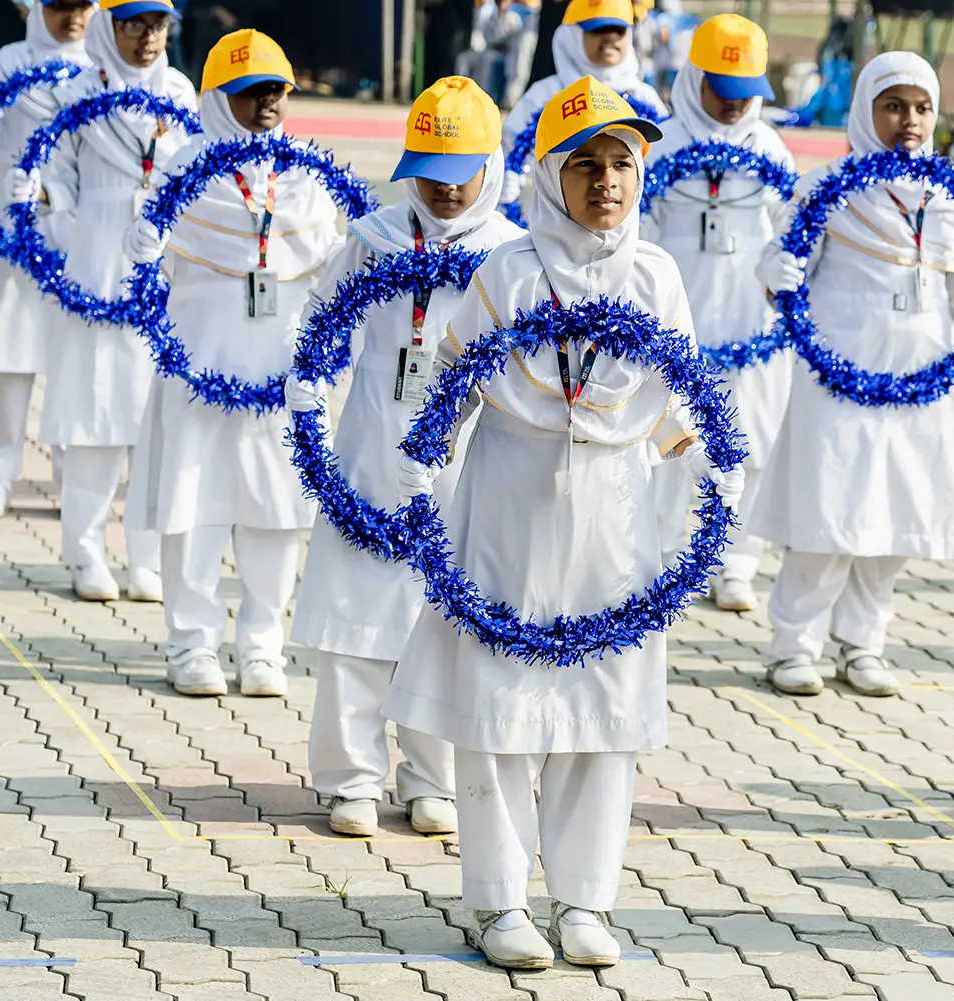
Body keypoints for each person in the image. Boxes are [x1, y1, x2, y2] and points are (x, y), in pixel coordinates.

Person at [381, 76, 740, 970]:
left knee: (600, 714)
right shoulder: (508, 271)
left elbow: (679, 404)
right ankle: (499, 900)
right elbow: (452, 386)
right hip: (507, 508)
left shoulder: (656, 276)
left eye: (621, 163)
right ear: (548, 175)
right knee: (497, 711)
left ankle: (584, 899)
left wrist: (711, 466)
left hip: (615, 523)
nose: (606, 181)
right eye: (584, 164)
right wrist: (420, 464)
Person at [286, 76, 521, 838]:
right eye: (430, 173)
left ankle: (432, 779)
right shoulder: (374, 236)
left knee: (442, 625)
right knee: (354, 625)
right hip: (369, 452)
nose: (445, 190)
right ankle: (350, 777)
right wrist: (306, 386)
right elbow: (322, 320)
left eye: (462, 174)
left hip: (464, 461)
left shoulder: (510, 253)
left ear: (492, 166)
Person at [753, 52, 954, 699]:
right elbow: (783, 266)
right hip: (842, 374)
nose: (910, 120)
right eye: (893, 106)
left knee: (897, 513)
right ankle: (794, 645)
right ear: (865, 110)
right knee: (828, 510)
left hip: (921, 374)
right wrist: (773, 275)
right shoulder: (828, 187)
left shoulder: (945, 192)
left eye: (922, 107)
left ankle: (863, 643)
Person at [119, 30, 336, 697]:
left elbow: (333, 263)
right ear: (216, 98)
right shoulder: (183, 171)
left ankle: (263, 647)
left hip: (280, 377)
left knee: (278, 512)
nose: (267, 102)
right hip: (199, 373)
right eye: (249, 91)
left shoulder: (306, 174)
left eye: (276, 89)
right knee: (194, 510)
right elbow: (144, 255)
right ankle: (191, 644)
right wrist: (139, 238)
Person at [10, 0, 197, 601]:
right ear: (106, 28)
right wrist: (70, 231)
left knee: (154, 423)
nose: (147, 38)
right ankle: (85, 552)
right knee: (95, 419)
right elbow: (55, 174)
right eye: (132, 24)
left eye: (157, 25)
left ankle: (146, 558)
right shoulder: (78, 92)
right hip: (96, 260)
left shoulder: (179, 92)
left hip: (163, 271)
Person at [643, 13, 793, 611]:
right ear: (694, 79)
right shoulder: (661, 144)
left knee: (750, 442)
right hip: (678, 319)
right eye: (722, 90)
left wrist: (784, 270)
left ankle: (736, 564)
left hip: (749, 323)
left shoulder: (769, 148)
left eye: (747, 92)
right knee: (667, 440)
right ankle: (658, 557)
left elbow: (794, 230)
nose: (735, 104)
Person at [0, 0, 96, 520]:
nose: (72, 17)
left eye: (83, 6)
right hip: (11, 231)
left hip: (77, 233)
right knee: (6, 358)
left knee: (72, 361)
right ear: (36, 8)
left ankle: (72, 480)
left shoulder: (101, 71)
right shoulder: (6, 62)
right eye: (60, 6)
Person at [499, 0, 666, 207]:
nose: (610, 38)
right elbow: (510, 157)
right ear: (572, 36)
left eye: (619, 30)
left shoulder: (645, 97)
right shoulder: (545, 95)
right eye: (598, 30)